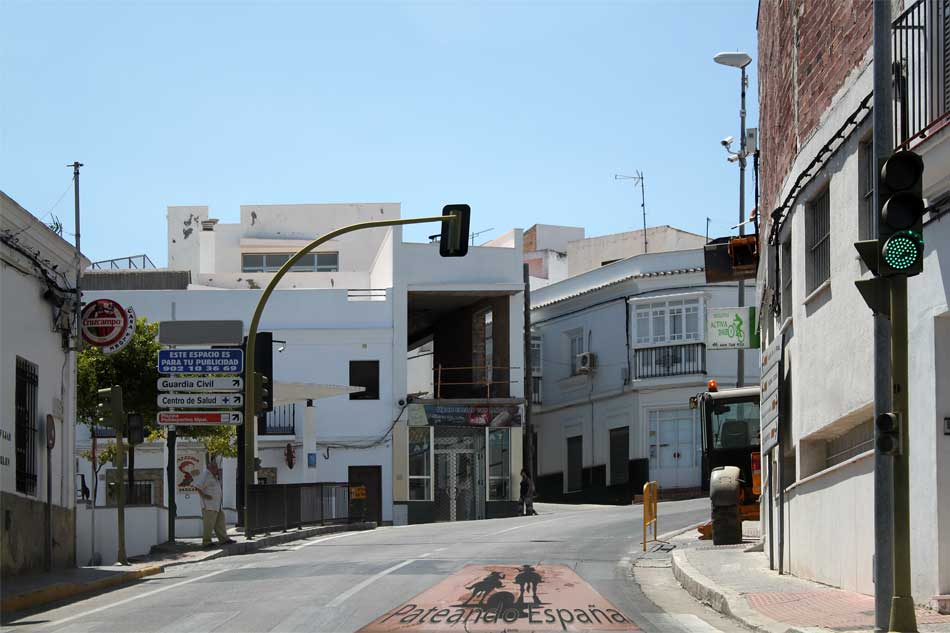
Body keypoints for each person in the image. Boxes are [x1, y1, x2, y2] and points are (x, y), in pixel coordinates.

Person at [193, 455, 235, 548]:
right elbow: (197, 486)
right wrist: (204, 495)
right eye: (215, 467)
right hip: (209, 506)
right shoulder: (206, 474)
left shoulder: (213, 476)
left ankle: (224, 539)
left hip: (217, 505)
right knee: (209, 524)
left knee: (220, 522)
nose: (217, 469)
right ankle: (206, 542)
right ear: (210, 467)